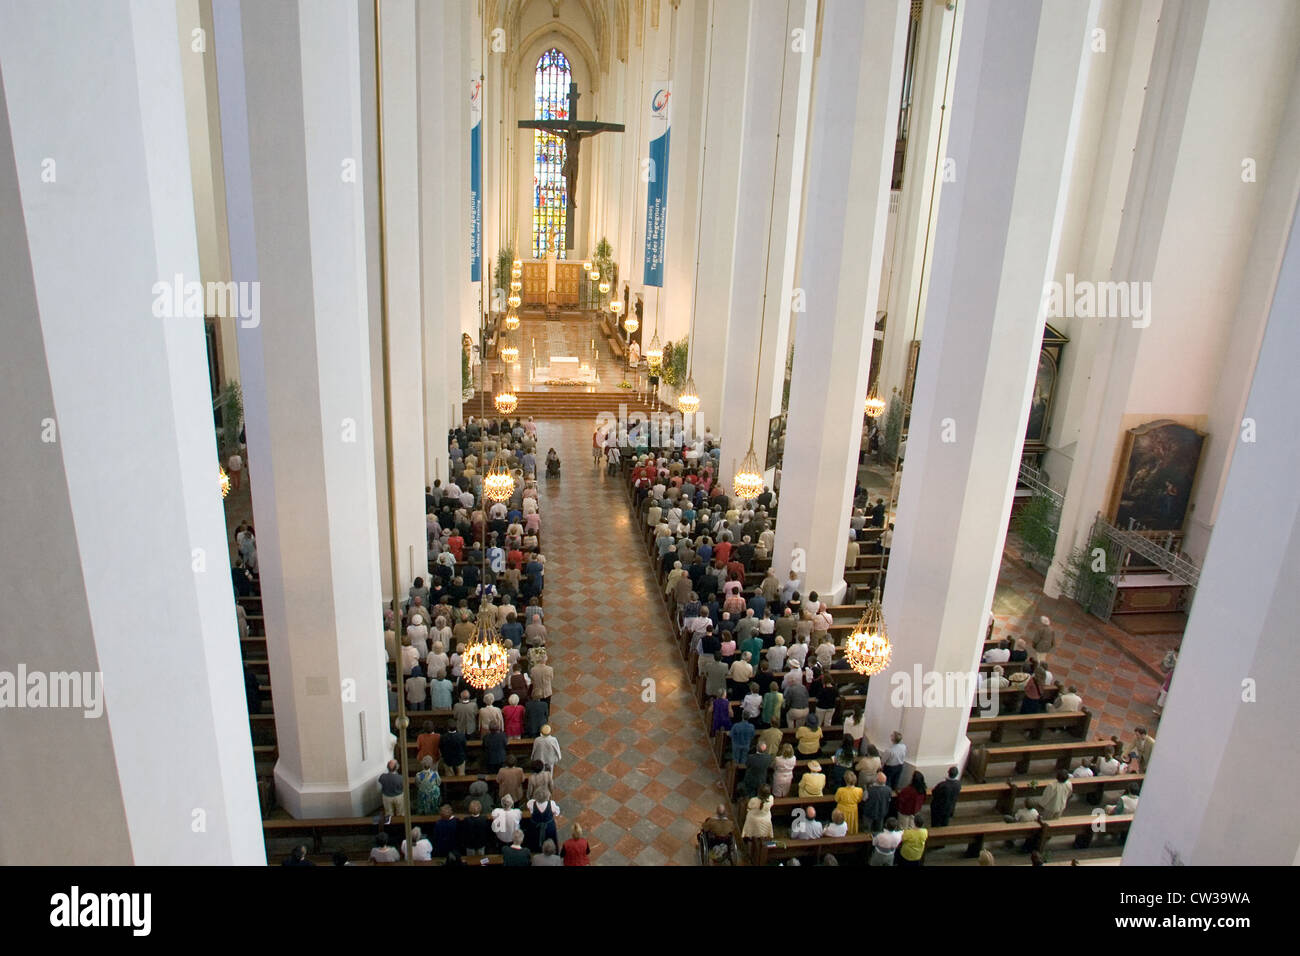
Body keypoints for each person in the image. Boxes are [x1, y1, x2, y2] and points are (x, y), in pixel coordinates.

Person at [834, 770, 864, 834]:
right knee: (851, 825)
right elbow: (859, 800)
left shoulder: (840, 790)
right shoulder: (859, 790)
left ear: (845, 780)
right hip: (853, 810)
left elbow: (836, 799)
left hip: (841, 810)